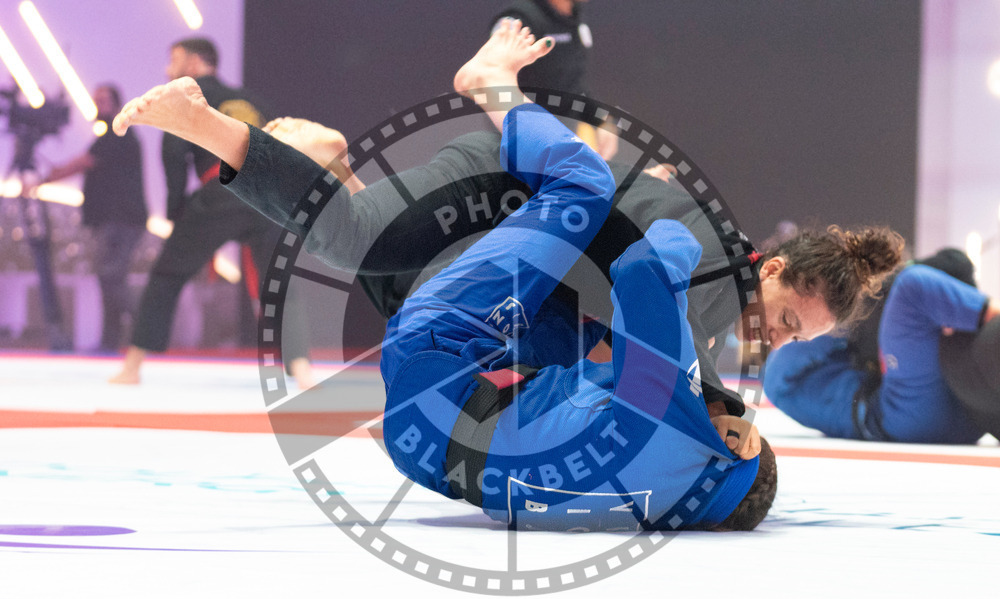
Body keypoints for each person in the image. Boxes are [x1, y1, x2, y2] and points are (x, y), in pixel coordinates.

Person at [113, 20, 777, 530]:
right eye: (793, 322)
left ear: (737, 441)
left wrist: (681, 253)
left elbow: (648, 274)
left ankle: (253, 136)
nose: (780, 338)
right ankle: (418, 123)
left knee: (576, 188)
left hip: (454, 341)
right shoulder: (654, 499)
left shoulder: (679, 408)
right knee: (402, 256)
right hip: (426, 431)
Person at [109, 37, 314, 387]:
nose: (167, 68)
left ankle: (132, 366)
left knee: (167, 274)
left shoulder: (185, 95)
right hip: (269, 193)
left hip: (221, 190)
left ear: (193, 63)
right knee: (278, 282)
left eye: (174, 59)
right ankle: (302, 369)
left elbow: (173, 151)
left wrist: (177, 211)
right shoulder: (254, 100)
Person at [764, 251, 1000, 448]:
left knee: (912, 286)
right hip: (908, 412)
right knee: (911, 286)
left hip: (934, 415)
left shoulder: (787, 375)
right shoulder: (785, 373)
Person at [27, 84, 147, 352]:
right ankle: (111, 341)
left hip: (121, 221)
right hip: (114, 221)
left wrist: (44, 179)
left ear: (117, 103)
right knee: (109, 279)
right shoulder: (113, 135)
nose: (98, 105)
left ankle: (146, 333)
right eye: (96, 100)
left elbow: (83, 162)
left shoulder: (119, 134)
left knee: (111, 277)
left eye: (104, 100)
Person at [492, 0, 618, 160]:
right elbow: (493, 81)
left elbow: (571, 87)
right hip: (525, 153)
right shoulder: (519, 18)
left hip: (563, 145)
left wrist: (603, 119)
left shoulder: (573, 16)